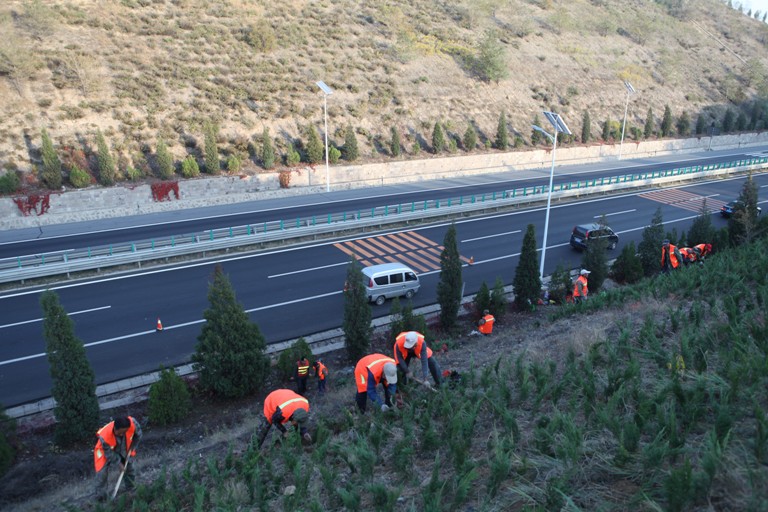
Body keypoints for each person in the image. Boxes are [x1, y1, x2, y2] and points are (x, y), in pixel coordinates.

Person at [93, 416, 142, 501]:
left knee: (129, 467)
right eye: (120, 433)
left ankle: (131, 488)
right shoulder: (104, 436)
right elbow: (109, 453)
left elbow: (138, 435)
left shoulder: (133, 424)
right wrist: (119, 463)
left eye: (124, 432)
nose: (122, 434)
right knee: (102, 475)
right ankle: (101, 497)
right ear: (115, 429)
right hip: (105, 450)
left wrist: (132, 447)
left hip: (123, 446)